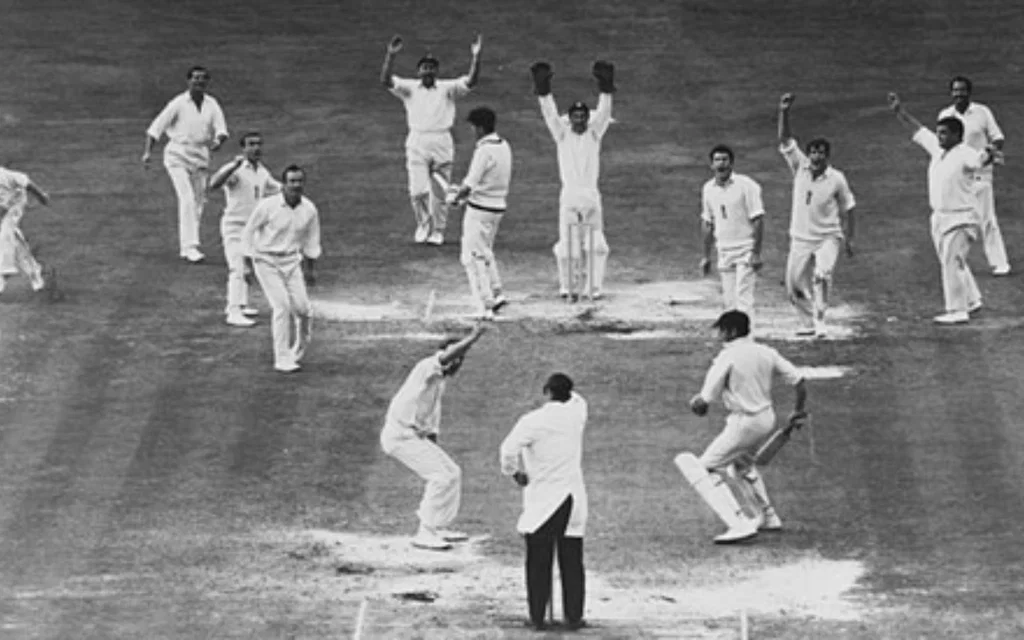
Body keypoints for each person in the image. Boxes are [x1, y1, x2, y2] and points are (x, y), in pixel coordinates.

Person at [674, 310, 807, 544]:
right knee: (740, 468)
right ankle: (767, 516)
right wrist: (797, 410)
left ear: (732, 331)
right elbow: (799, 380)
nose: (718, 334)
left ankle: (738, 524)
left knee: (703, 469)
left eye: (722, 330)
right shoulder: (765, 351)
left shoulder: (727, 357)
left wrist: (696, 404)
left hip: (744, 422)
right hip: (767, 418)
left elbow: (703, 404)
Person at [889, 92, 1000, 324]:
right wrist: (900, 111)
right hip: (939, 217)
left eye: (944, 133)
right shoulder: (937, 149)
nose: (939, 136)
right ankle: (972, 299)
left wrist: (990, 153)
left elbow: (981, 160)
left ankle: (957, 310)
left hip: (961, 218)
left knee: (952, 262)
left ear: (957, 135)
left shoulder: (966, 153)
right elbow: (917, 131)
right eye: (938, 132)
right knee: (952, 260)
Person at [380, 323, 488, 550]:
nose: (456, 363)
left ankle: (439, 526)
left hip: (413, 438)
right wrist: (473, 338)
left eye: (460, 360)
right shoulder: (425, 368)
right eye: (454, 357)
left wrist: (434, 453)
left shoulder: (438, 386)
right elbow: (447, 356)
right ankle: (424, 532)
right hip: (399, 436)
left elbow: (431, 432)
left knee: (452, 472)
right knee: (441, 477)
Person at [500, 373, 588, 632]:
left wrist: (514, 473)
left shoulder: (532, 421)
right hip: (574, 500)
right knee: (572, 560)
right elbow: (578, 400)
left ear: (546, 391)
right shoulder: (577, 415)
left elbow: (507, 451)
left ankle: (537, 617)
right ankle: (574, 617)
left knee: (538, 562)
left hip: (545, 502)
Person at [380, 34, 482, 246]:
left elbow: (471, 81)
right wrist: (390, 55)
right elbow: (385, 81)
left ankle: (438, 230)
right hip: (417, 141)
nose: (428, 70)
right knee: (417, 191)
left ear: (436, 71)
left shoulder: (448, 88)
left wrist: (476, 56)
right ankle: (423, 224)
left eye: (432, 67)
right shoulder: (409, 88)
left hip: (442, 141)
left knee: (440, 192)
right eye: (424, 67)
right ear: (419, 71)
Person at [530, 60, 615, 300]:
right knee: (568, 249)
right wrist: (543, 91)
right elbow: (549, 114)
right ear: (570, 118)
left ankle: (594, 288)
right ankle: (568, 287)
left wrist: (606, 89)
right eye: (575, 115)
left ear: (588, 118)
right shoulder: (561, 134)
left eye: (583, 115)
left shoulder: (595, 133)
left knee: (596, 246)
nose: (579, 119)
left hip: (591, 198)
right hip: (569, 197)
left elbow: (605, 113)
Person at [776, 93, 857, 338]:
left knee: (822, 275)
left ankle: (820, 319)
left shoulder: (837, 178)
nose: (816, 156)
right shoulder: (799, 168)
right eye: (813, 152)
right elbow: (785, 140)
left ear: (827, 156)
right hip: (800, 237)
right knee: (792, 285)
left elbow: (849, 207)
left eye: (821, 153)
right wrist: (784, 111)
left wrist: (850, 239)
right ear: (808, 154)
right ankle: (808, 321)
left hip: (828, 237)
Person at [143, 66, 229, 263]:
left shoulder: (211, 103)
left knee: (199, 202)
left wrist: (218, 141)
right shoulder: (178, 103)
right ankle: (190, 247)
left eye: (202, 79)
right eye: (195, 78)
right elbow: (156, 128)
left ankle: (187, 245)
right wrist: (148, 152)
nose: (199, 82)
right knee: (187, 199)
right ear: (188, 81)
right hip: (177, 155)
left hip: (200, 156)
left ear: (207, 82)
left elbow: (222, 130)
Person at [242, 165, 321, 372]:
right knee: (282, 307)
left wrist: (310, 268)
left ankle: (298, 349)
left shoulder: (309, 209)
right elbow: (248, 231)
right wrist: (247, 264)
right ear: (283, 185)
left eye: (299, 181)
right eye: (292, 181)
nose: (296, 185)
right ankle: (282, 358)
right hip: (265, 260)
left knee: (303, 310)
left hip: (292, 262)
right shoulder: (267, 206)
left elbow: (312, 241)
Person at [444, 106, 512, 320]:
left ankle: (484, 306)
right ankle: (497, 292)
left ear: (480, 128)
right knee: (485, 251)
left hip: (480, 211)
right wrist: (461, 194)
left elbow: (470, 184)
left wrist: (455, 197)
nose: (472, 131)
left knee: (472, 258)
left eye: (473, 127)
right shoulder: (504, 146)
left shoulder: (484, 151)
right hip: (496, 208)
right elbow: (484, 183)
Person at [208, 132, 281, 327]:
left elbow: (275, 189)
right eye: (251, 144)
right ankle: (233, 312)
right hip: (234, 227)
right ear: (243, 148)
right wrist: (233, 166)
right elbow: (214, 183)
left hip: (252, 229)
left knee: (249, 268)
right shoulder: (236, 170)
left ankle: (241, 303)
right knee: (237, 268)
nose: (256, 148)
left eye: (258, 144)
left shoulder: (262, 172)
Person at [938, 76, 1009, 276]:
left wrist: (988, 153)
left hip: (980, 176)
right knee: (953, 218)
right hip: (957, 178)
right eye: (955, 90)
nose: (958, 94)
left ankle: (999, 263)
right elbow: (941, 144)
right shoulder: (945, 114)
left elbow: (998, 138)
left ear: (969, 92)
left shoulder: (982, 112)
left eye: (962, 90)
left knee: (987, 220)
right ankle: (953, 259)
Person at [699, 144, 766, 316]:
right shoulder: (708, 189)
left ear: (732, 163)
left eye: (724, 159)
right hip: (724, 250)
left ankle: (747, 337)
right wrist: (706, 256)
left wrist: (756, 253)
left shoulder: (747, 185)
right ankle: (733, 337)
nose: (721, 164)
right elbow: (707, 223)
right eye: (717, 160)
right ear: (711, 165)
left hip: (746, 249)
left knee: (743, 297)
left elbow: (758, 219)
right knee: (729, 301)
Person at [0, 166, 59, 300]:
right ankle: (34, 271)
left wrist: (42, 196)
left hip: (16, 201)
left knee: (5, 234)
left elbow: (26, 182)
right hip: (3, 207)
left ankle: (3, 275)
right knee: (13, 238)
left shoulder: (4, 175)